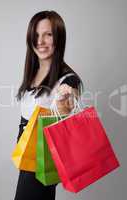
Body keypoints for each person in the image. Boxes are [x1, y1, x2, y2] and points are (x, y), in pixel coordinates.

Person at [14, 10, 83, 200]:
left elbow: (66, 107)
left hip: (42, 160)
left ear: (59, 38)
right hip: (27, 160)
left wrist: (67, 98)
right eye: (36, 35)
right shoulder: (33, 73)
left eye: (48, 34)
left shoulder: (68, 80)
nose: (40, 41)